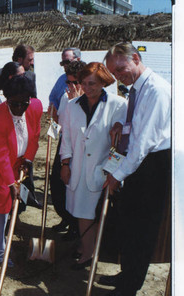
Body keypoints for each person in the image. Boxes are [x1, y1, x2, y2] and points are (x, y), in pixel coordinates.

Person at [101, 42, 170, 296]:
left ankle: (129, 288)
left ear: (136, 58)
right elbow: (138, 126)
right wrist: (124, 126)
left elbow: (144, 144)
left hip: (152, 166)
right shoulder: (137, 90)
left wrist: (117, 175)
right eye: (115, 73)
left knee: (141, 230)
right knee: (129, 224)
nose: (119, 75)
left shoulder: (155, 91)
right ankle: (126, 274)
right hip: (140, 164)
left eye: (121, 68)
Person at [59, 62, 127, 270]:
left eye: (92, 84)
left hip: (102, 168)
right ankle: (87, 247)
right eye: (84, 83)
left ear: (103, 83)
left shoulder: (118, 105)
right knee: (82, 212)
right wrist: (65, 163)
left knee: (93, 212)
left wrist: (113, 171)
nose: (87, 88)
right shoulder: (73, 106)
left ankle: (89, 252)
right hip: (78, 168)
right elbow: (67, 138)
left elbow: (122, 144)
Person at [0, 76, 42, 267]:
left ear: (29, 99)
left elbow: (34, 136)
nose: (19, 108)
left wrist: (28, 160)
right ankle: (0, 246)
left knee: (13, 204)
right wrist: (11, 183)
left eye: (23, 103)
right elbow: (0, 155)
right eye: (14, 104)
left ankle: (9, 233)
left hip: (19, 161)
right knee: (2, 201)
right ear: (6, 99)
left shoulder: (35, 107)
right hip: (1, 164)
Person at [49, 60, 86, 240]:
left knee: (74, 187)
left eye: (75, 82)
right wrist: (52, 130)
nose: (71, 86)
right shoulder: (65, 97)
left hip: (81, 150)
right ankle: (66, 218)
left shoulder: (91, 101)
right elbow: (60, 123)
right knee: (57, 184)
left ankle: (76, 227)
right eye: (69, 82)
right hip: (64, 145)